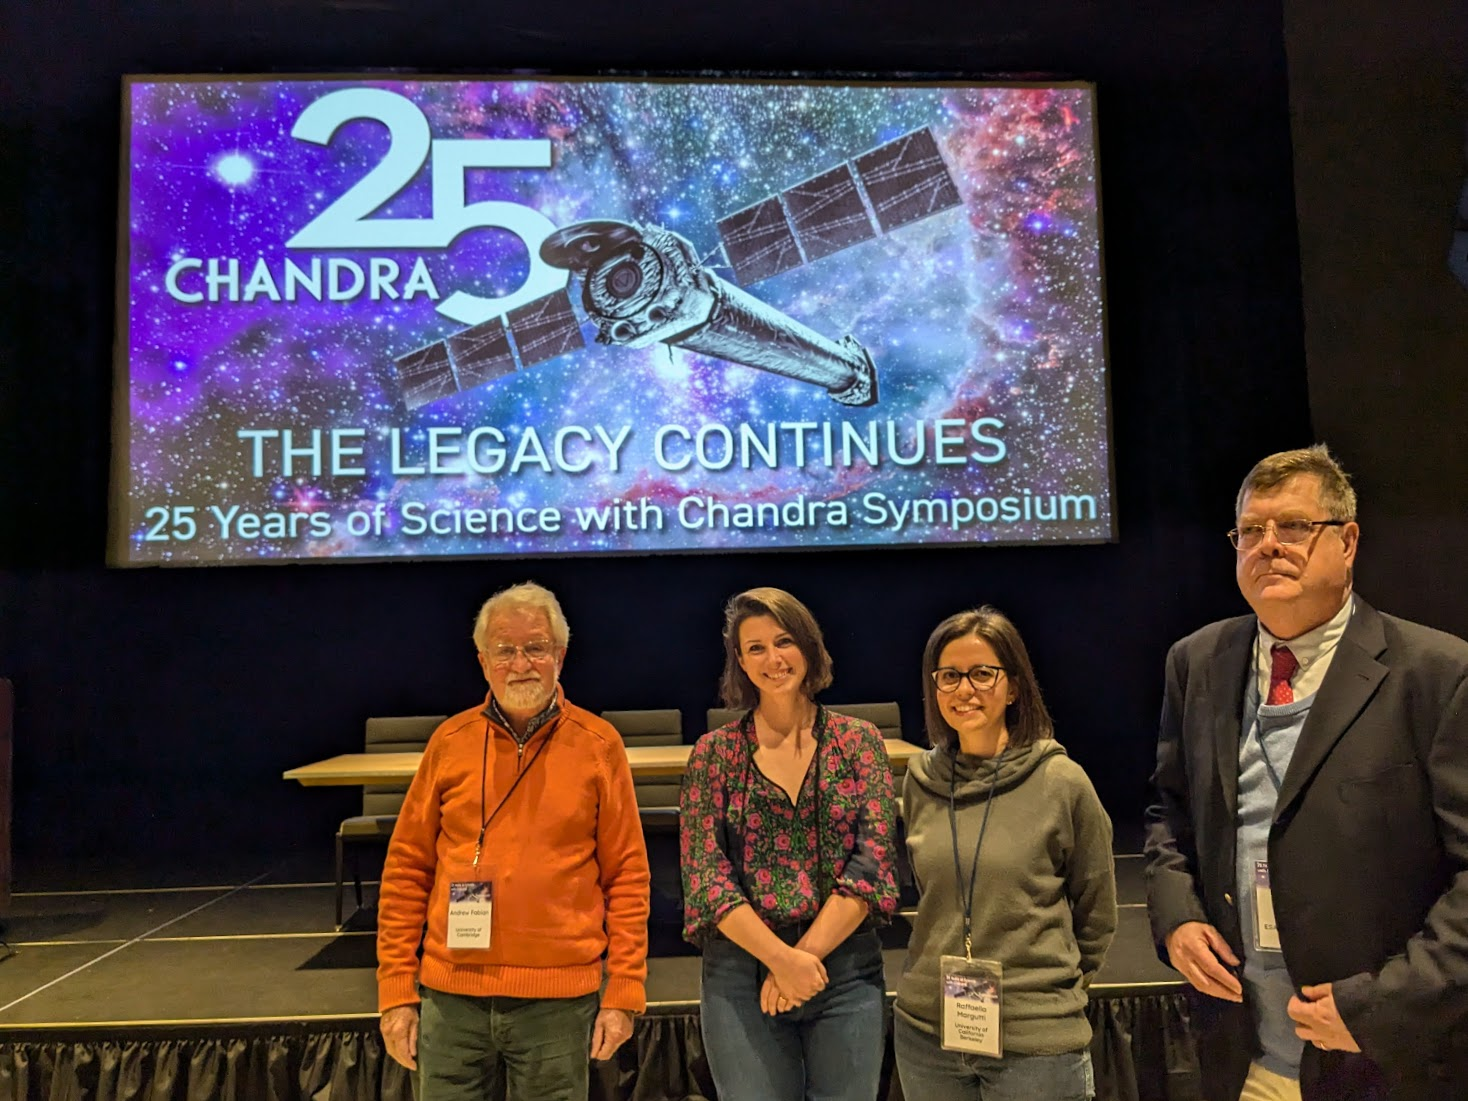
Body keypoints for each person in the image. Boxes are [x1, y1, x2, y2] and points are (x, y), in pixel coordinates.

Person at [1144, 445, 1468, 1101]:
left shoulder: (1437, 674)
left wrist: (1384, 1006)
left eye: (1293, 526)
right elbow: (1167, 815)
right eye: (1251, 530)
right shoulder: (1197, 662)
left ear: (1347, 542)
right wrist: (1176, 918)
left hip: (1377, 1062)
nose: (1269, 545)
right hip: (1242, 1054)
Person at [376, 581, 651, 1101]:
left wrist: (624, 991)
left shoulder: (599, 745)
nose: (521, 663)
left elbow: (628, 876)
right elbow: (406, 870)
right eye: (505, 650)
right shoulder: (449, 742)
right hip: (450, 998)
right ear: (483, 662)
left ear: (560, 657)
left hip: (558, 1004)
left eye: (536, 647)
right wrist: (395, 992)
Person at [679, 586, 900, 1101]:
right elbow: (707, 878)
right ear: (740, 661)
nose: (772, 659)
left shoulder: (859, 742)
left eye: (784, 642)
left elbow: (872, 865)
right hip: (740, 971)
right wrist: (780, 959)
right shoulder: (713, 754)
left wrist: (800, 960)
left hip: (844, 966)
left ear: (808, 646)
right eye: (755, 648)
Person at [894, 606, 1117, 1101]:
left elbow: (1097, 912)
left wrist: (1045, 994)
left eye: (982, 674)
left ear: (1013, 687)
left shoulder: (1061, 781)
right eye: (949, 676)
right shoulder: (920, 781)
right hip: (927, 1036)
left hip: (1034, 1044)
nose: (964, 690)